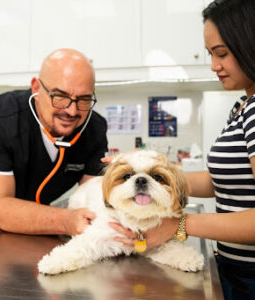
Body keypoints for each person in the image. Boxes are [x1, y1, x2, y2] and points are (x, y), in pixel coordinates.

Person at [109, 0, 255, 299]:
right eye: (211, 54)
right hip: (236, 268)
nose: (214, 65)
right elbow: (225, 181)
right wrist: (146, 176)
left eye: (222, 54)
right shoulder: (242, 107)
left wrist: (180, 225)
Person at [0, 48, 108, 239]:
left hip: (43, 208)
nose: (71, 111)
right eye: (60, 96)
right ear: (36, 88)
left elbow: (93, 196)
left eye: (84, 99)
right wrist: (64, 220)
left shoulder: (95, 129)